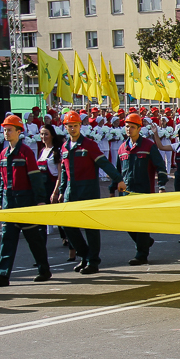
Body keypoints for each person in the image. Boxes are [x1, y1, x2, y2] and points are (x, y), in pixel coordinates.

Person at [0, 115, 52, 287]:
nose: (6, 133)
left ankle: (44, 269)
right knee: (7, 239)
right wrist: (1, 200)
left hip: (25, 200)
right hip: (9, 200)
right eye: (5, 130)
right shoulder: (3, 153)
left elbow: (35, 178)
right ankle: (2, 275)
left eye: (10, 130)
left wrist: (40, 200)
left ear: (19, 132)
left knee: (33, 237)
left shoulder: (25, 152)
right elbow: (2, 180)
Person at [53, 110, 125, 275]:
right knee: (67, 225)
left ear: (80, 126)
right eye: (69, 126)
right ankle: (84, 255)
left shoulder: (89, 144)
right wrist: (62, 190)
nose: (72, 129)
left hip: (88, 190)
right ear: (65, 127)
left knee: (91, 228)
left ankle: (93, 261)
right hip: (72, 191)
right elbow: (64, 171)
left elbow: (104, 163)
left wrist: (117, 179)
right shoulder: (65, 147)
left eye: (75, 126)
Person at [116, 113, 169, 265]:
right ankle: (146, 241)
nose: (129, 129)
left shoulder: (148, 146)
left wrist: (162, 186)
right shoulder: (122, 148)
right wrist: (113, 189)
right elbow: (118, 170)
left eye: (132, 127)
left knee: (141, 223)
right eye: (127, 126)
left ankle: (141, 254)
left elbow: (161, 167)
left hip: (143, 191)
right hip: (126, 193)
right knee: (125, 223)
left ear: (139, 128)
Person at [37, 123, 72, 259]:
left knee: (61, 218)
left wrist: (56, 191)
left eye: (46, 134)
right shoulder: (42, 151)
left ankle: (71, 245)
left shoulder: (56, 152)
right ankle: (40, 255)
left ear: (52, 135)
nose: (43, 137)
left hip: (52, 186)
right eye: (41, 134)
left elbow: (59, 174)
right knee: (41, 221)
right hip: (42, 188)